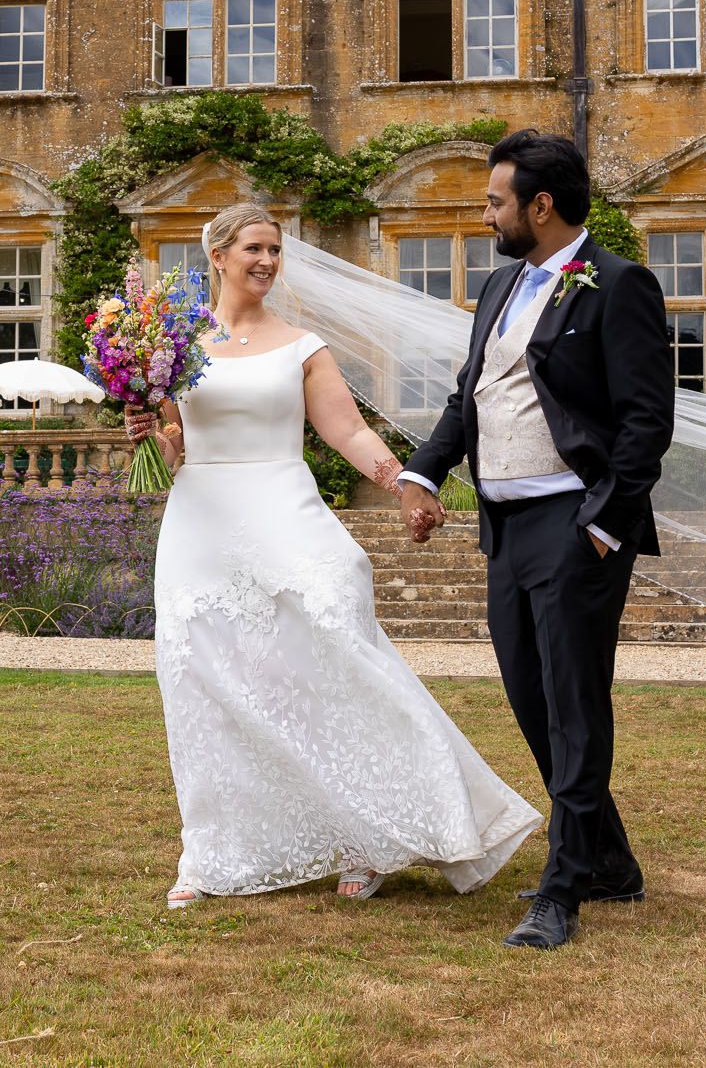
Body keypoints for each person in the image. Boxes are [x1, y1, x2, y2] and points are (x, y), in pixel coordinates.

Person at [128, 202, 542, 909]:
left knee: (332, 664)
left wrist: (403, 483)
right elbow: (175, 449)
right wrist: (146, 431)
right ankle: (211, 852)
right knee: (204, 687)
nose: (266, 261)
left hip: (286, 512)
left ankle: (367, 836)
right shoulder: (170, 342)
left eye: (275, 250)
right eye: (253, 248)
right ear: (219, 255)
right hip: (201, 525)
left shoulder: (301, 343)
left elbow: (347, 430)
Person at [396, 130, 675, 950]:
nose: (485, 213)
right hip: (505, 525)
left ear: (540, 206)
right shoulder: (499, 286)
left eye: (494, 201)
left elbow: (646, 423)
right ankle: (610, 861)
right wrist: (424, 470)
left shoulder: (618, 285)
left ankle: (562, 890)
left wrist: (601, 526)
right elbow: (470, 396)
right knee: (530, 696)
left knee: (575, 704)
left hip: (573, 524)